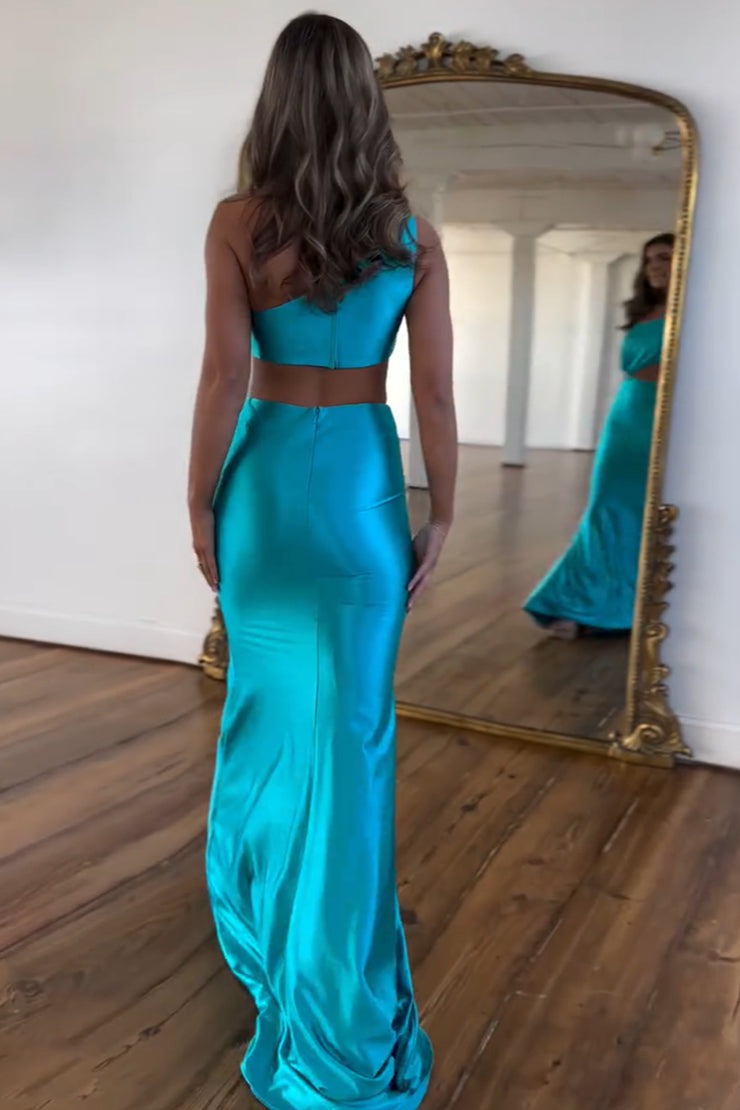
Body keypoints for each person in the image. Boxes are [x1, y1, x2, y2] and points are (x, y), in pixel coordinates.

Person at [187, 13, 456, 1109]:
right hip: (360, 486)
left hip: (263, 486)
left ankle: (265, 917)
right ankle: (333, 965)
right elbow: (433, 395)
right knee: (353, 735)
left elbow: (222, 376)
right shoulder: (410, 234)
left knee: (262, 712)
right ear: (364, 101)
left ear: (277, 100)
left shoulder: (236, 223)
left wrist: (198, 500)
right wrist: (444, 514)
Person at [523, 232, 674, 639]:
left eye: (664, 257)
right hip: (628, 417)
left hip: (670, 418)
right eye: (650, 260)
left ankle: (632, 607)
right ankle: (578, 603)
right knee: (607, 509)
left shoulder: (697, 312)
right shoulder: (644, 311)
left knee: (652, 515)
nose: (655, 267)